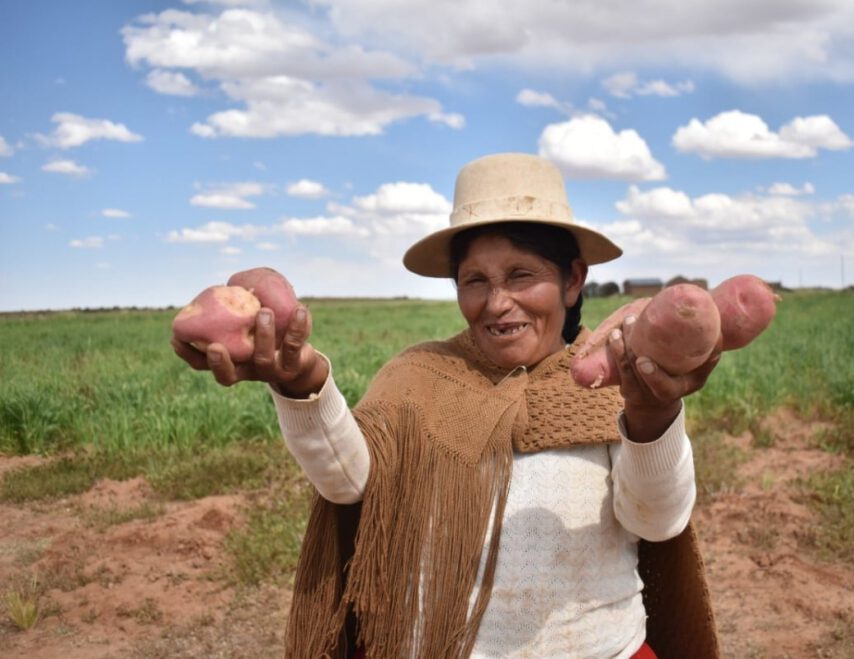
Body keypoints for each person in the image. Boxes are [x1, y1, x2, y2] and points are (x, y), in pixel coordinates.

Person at [172, 153, 722, 658]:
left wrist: (652, 422)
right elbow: (348, 482)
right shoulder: (421, 376)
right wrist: (302, 384)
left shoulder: (611, 381)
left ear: (572, 280)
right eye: (474, 281)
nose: (497, 302)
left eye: (521, 276)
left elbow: (658, 519)